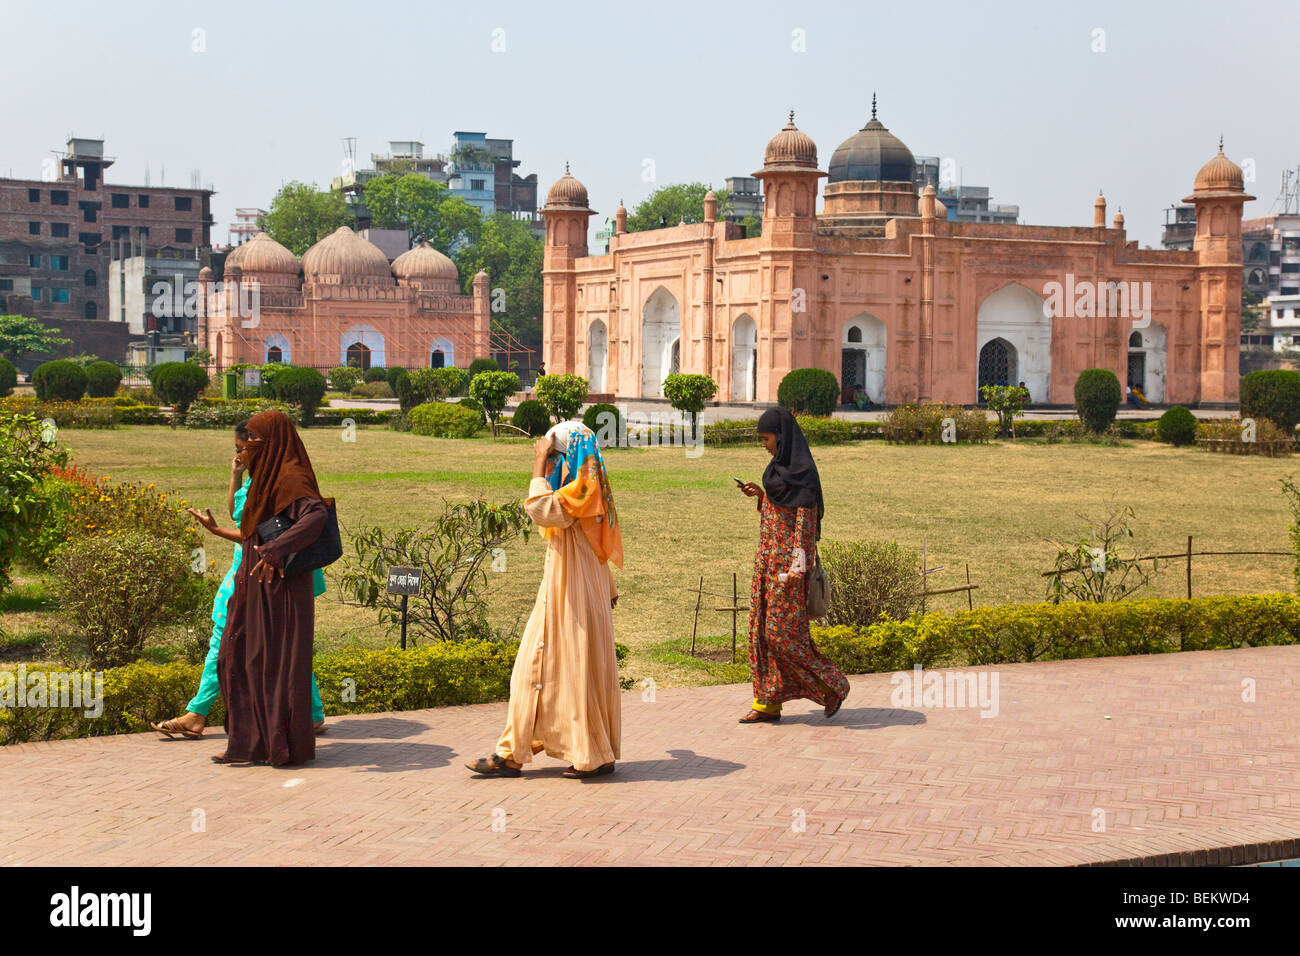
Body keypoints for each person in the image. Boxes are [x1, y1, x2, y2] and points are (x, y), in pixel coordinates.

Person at [151, 420, 328, 740]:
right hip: (250, 572)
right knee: (282, 645)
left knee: (228, 636)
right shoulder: (257, 481)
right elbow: (240, 519)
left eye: (244, 448)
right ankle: (312, 713)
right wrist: (233, 478)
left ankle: (196, 713)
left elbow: (279, 530)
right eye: (237, 448)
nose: (240, 454)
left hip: (263, 576)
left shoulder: (282, 484)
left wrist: (237, 539)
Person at [467, 420, 623, 779]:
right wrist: (608, 588)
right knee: (555, 669)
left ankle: (579, 754)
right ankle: (524, 753)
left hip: (575, 592)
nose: (552, 463)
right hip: (575, 587)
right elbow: (597, 542)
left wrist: (538, 463)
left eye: (556, 456)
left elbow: (539, 508)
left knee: (566, 669)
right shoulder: (586, 487)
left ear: (570, 456)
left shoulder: (580, 492)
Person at [215, 409, 330, 766]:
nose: (246, 452)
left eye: (252, 444)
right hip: (254, 585)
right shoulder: (264, 481)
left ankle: (279, 745)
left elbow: (316, 516)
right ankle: (250, 743)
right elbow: (252, 530)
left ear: (273, 444)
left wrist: (276, 552)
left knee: (273, 663)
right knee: (237, 656)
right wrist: (217, 530)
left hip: (280, 589)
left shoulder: (291, 478)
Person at [737, 407, 848, 723]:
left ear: (781, 437)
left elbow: (804, 528)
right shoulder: (777, 472)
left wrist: (796, 572)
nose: (764, 445)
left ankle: (834, 685)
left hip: (787, 571)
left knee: (782, 635)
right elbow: (776, 513)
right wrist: (761, 496)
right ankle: (767, 702)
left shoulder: (804, 477)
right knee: (760, 632)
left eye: (766, 438)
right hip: (766, 564)